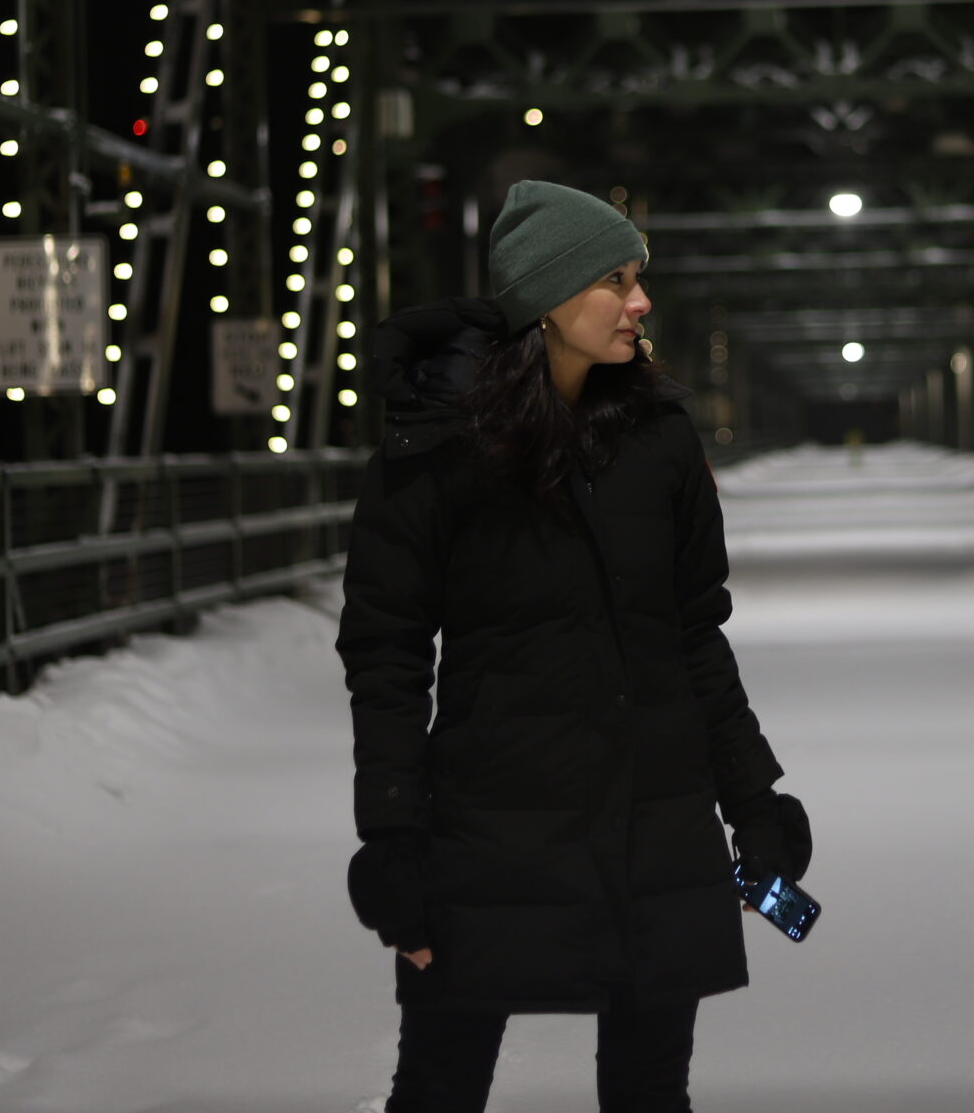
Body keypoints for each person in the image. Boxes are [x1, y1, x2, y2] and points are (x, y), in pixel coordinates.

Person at [336, 179, 813, 1113]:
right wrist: (392, 839)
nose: (640, 302)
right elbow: (386, 653)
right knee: (437, 1089)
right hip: (487, 832)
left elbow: (694, 637)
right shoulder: (436, 448)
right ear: (547, 300)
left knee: (650, 1096)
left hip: (653, 824)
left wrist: (754, 799)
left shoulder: (661, 439)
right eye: (615, 279)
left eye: (638, 279)